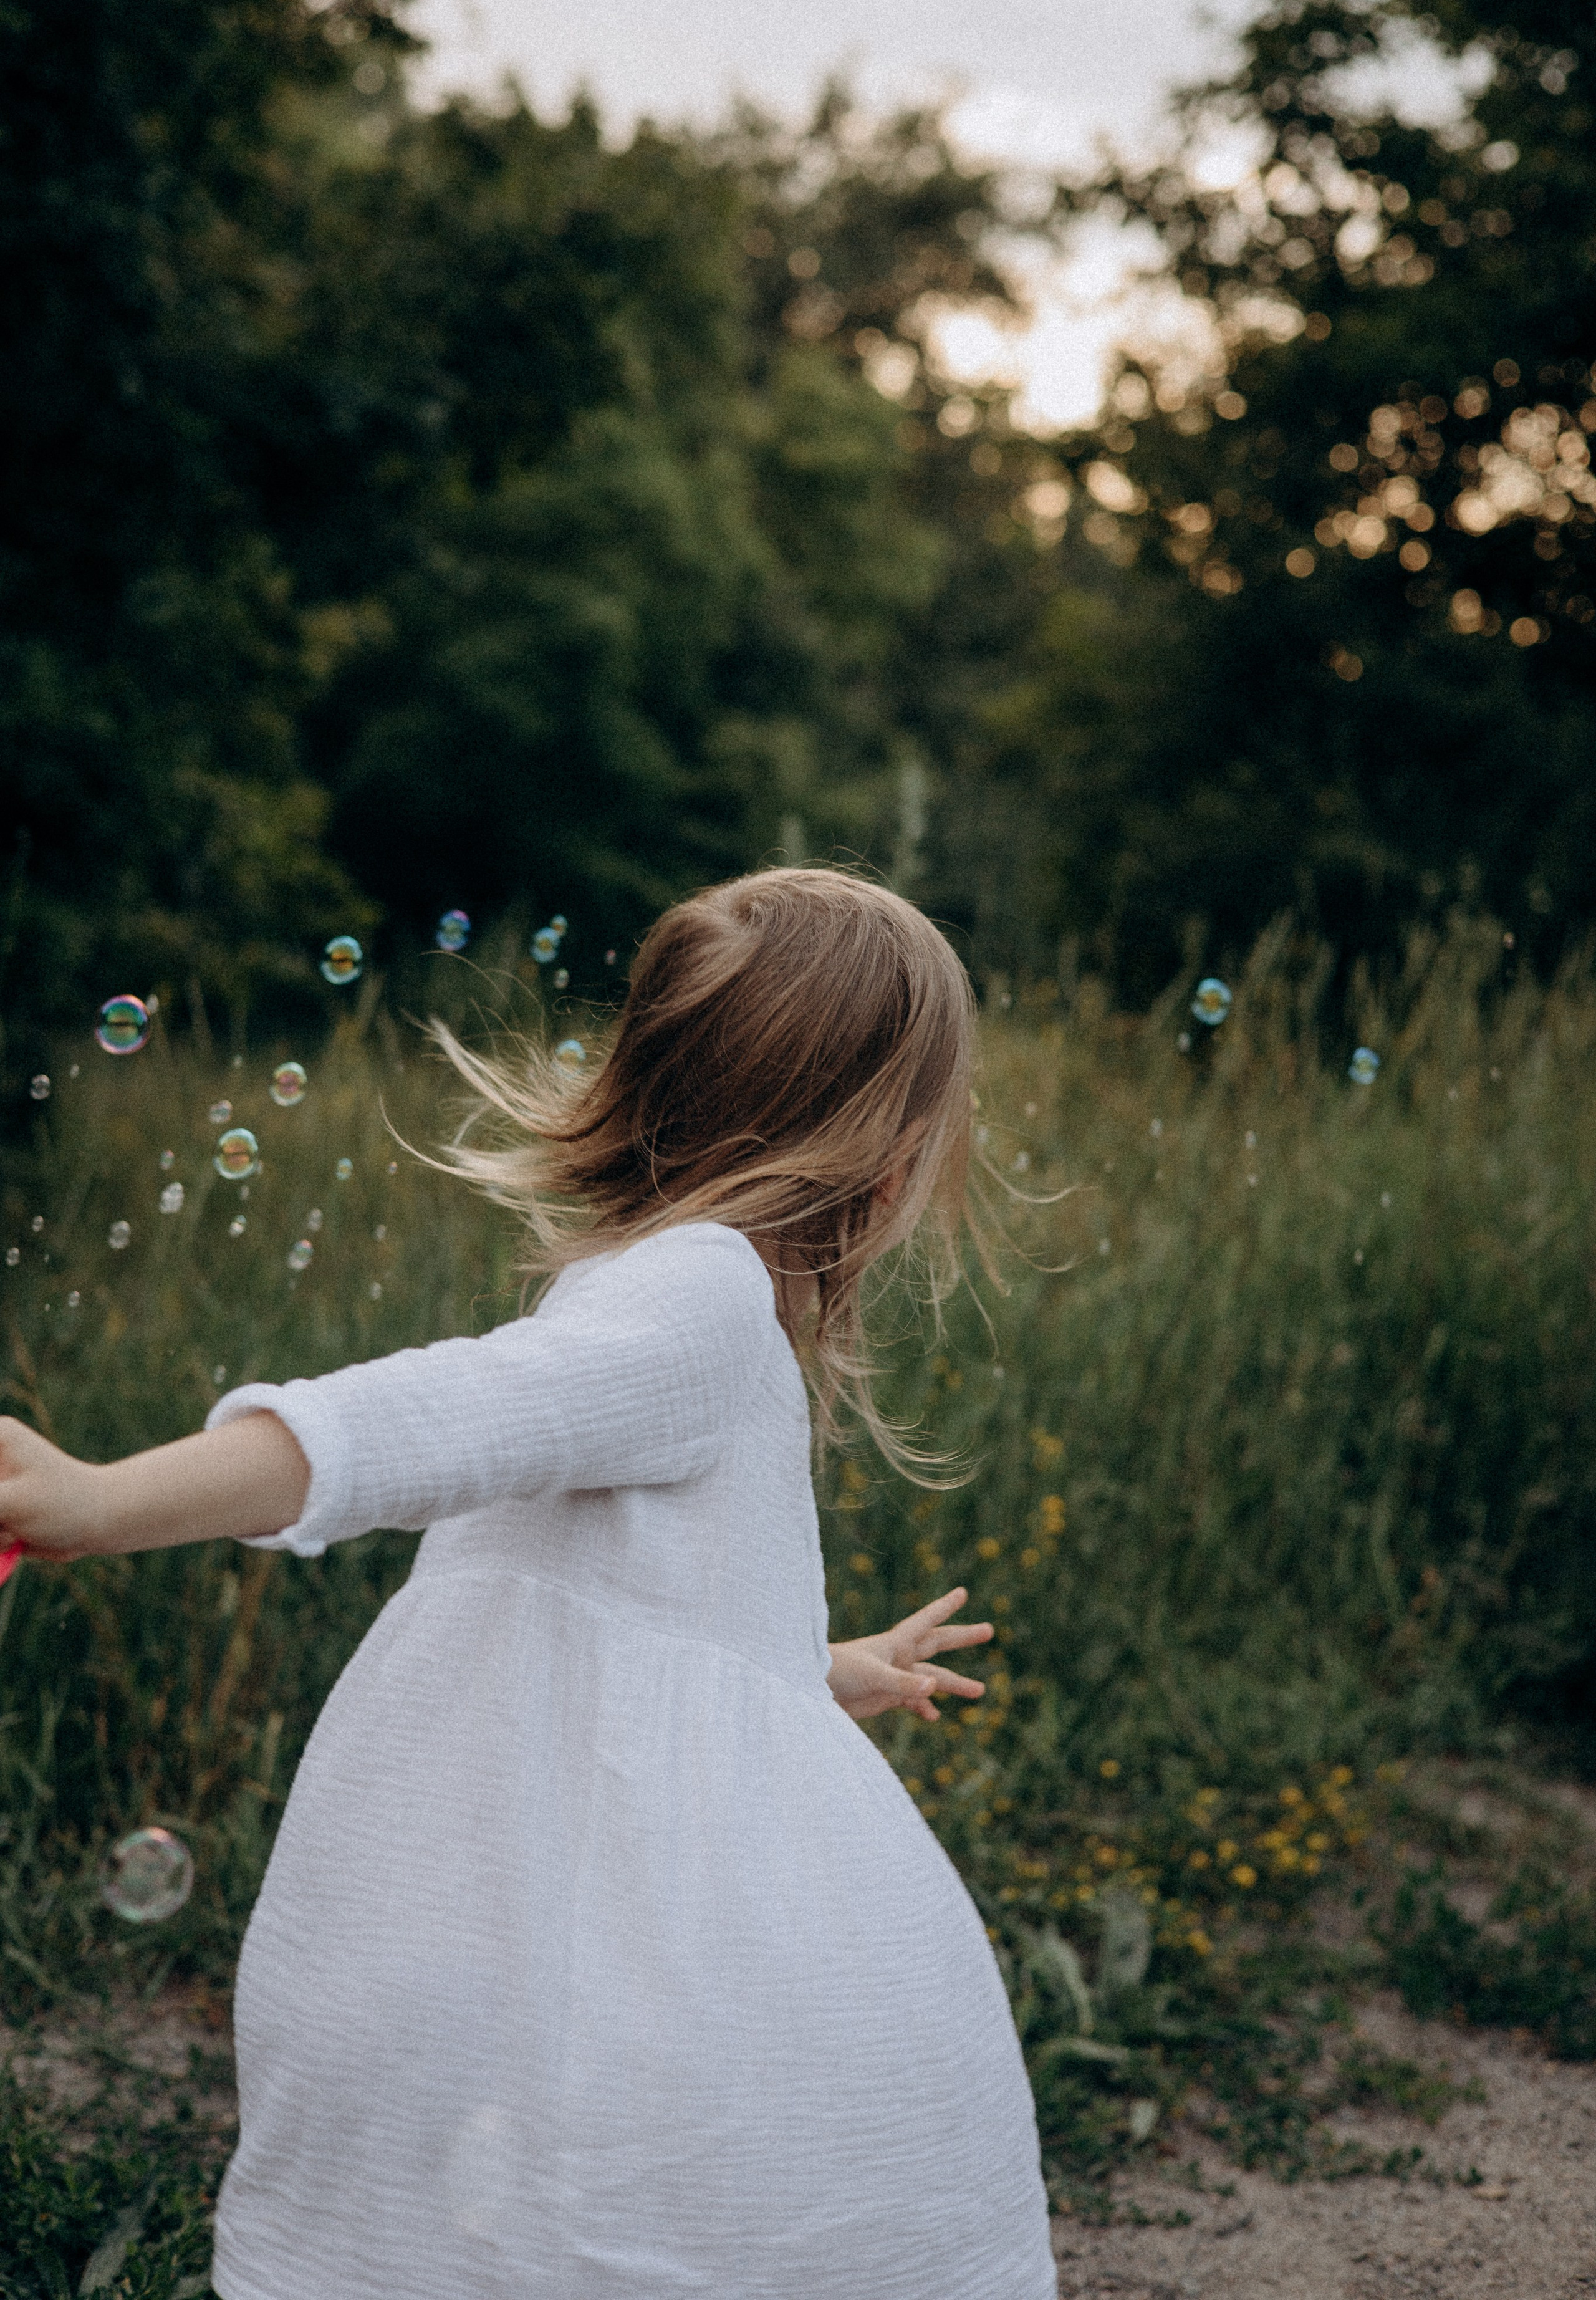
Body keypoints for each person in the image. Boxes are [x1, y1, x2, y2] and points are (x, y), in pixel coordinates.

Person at [0, 867, 1057, 2300]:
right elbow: (426, 1420)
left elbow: (635, 1621)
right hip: (581, 1908)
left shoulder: (657, 1285)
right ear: (884, 1143)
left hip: (516, 1859)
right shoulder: (700, 1300)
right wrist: (101, 1499)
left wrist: (806, 1668)